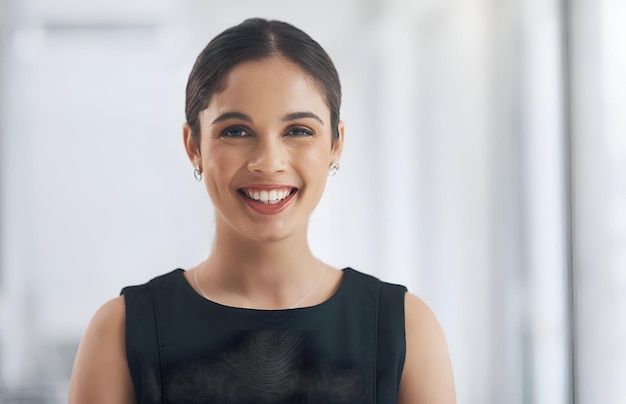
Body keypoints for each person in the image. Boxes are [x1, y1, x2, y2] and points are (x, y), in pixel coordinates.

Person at [68, 18, 455, 403]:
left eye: (298, 130)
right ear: (194, 146)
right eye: (236, 131)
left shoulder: (405, 329)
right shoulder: (120, 333)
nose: (268, 162)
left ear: (336, 144)